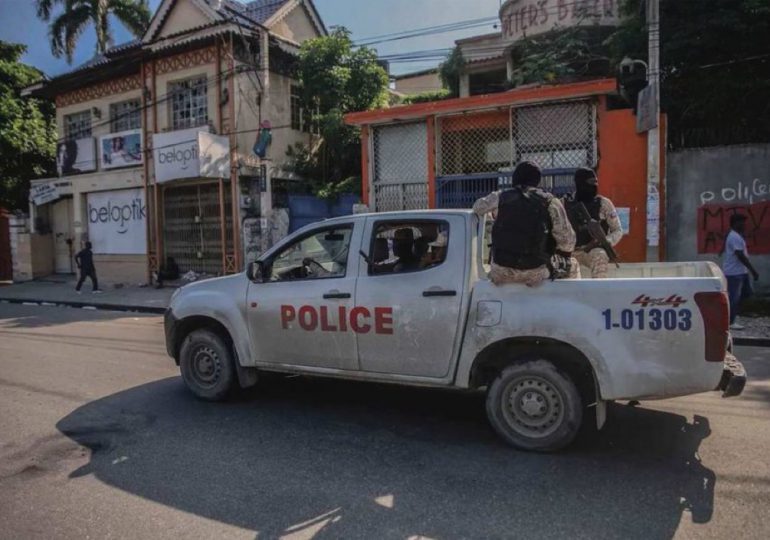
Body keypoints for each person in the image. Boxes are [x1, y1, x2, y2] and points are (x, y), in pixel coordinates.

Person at [472, 161, 577, 287]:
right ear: (537, 180)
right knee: (572, 264)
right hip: (536, 272)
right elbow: (568, 243)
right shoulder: (550, 202)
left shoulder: (501, 196)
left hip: (501, 271)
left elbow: (477, 207)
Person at [563, 167, 623, 278]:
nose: (594, 185)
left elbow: (618, 230)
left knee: (600, 255)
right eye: (591, 182)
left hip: (592, 251)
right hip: (571, 251)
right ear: (580, 183)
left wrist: (606, 241)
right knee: (566, 264)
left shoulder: (603, 203)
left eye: (596, 182)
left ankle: (598, 292)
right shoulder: (565, 203)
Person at [722, 213, 759, 330]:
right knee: (734, 297)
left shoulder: (735, 235)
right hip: (734, 273)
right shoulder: (734, 237)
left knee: (746, 293)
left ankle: (735, 313)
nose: (744, 225)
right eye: (741, 222)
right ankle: (730, 322)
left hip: (741, 272)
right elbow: (740, 255)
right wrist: (753, 270)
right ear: (735, 223)